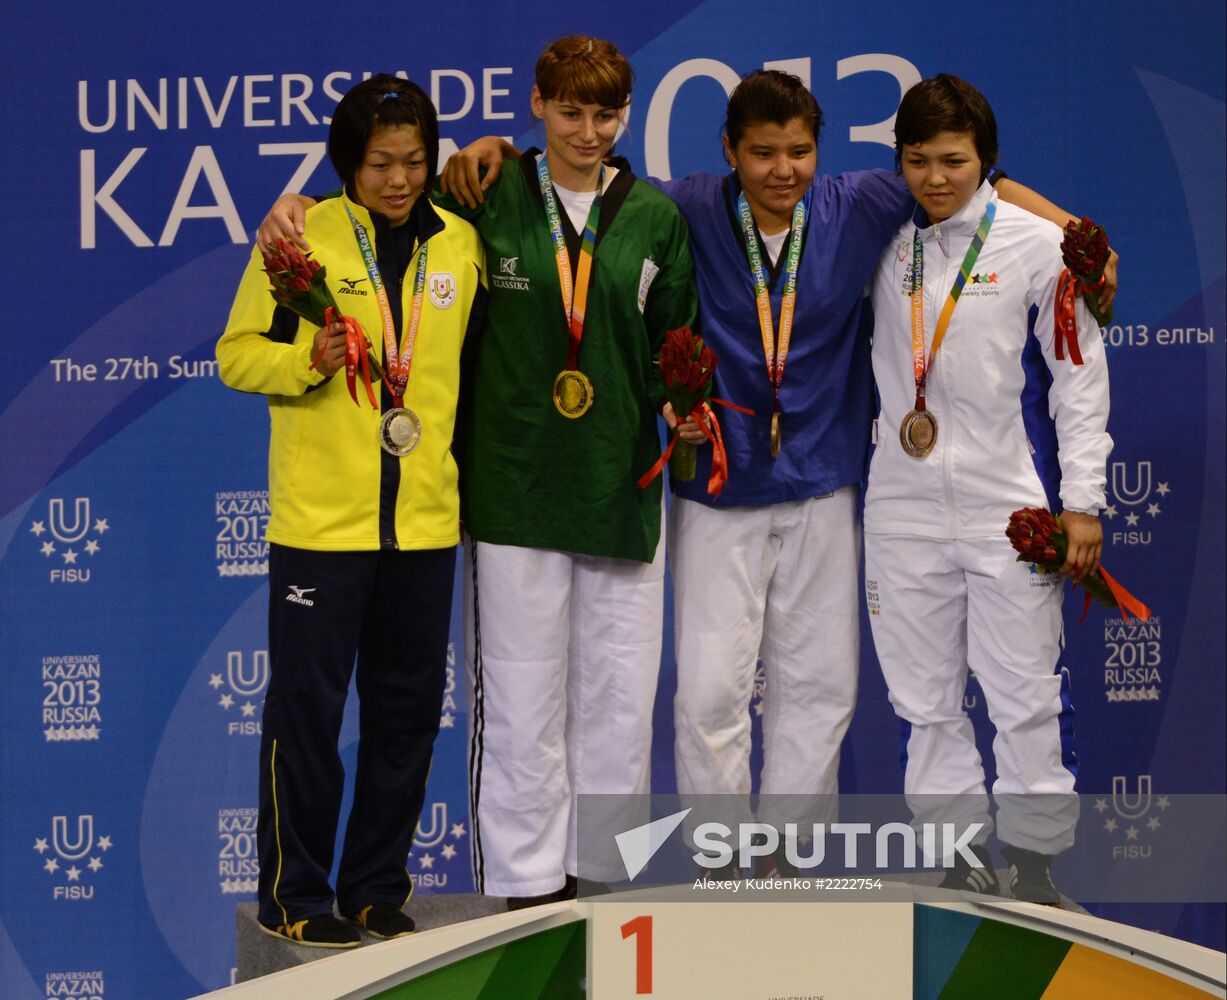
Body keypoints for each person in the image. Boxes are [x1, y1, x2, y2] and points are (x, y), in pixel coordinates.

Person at [439, 69, 1113, 878]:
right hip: (717, 494)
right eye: (762, 153)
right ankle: (723, 857)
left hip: (826, 490)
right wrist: (496, 153)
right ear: (730, 152)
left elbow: (974, 181)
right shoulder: (682, 206)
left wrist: (1079, 238)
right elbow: (583, 180)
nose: (781, 169)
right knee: (708, 697)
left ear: (818, 154)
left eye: (798, 151)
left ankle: (788, 855)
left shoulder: (859, 204)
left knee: (822, 688)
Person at [258, 36, 697, 906]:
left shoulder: (655, 217)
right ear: (535, 104)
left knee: (617, 697)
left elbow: (670, 349)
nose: (588, 130)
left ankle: (609, 881)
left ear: (627, 115)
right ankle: (528, 889)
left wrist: (683, 401)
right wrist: (293, 201)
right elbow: (391, 215)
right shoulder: (484, 200)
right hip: (510, 488)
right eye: (569, 111)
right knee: (521, 702)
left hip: (620, 489)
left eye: (605, 113)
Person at [218, 74, 486, 946]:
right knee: (307, 714)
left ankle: (375, 884)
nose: (399, 179)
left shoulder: (462, 248)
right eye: (379, 163)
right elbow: (236, 356)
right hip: (321, 526)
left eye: (413, 161)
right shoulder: (302, 236)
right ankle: (295, 895)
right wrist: (308, 362)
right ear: (347, 163)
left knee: (406, 712)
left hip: (421, 522)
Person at [864, 74, 1111, 903]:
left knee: (1023, 693)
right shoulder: (880, 242)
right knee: (923, 700)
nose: (935, 179)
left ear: (987, 162)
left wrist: (1082, 500)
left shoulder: (1033, 246)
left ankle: (1037, 867)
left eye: (954, 161)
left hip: (1008, 504)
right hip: (898, 506)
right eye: (918, 161)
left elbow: (1078, 378)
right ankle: (958, 854)